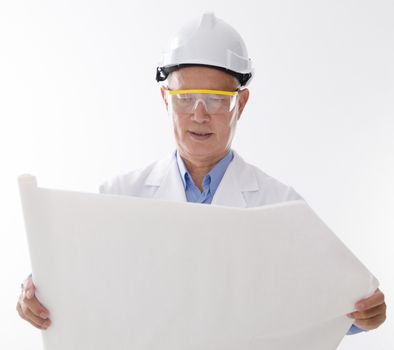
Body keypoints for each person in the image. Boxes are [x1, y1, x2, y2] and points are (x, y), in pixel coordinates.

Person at [17, 12, 386, 335]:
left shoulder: (281, 205)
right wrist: (36, 294)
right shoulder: (118, 195)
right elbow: (78, 283)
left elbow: (326, 304)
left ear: (240, 103)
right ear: (165, 100)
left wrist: (364, 316)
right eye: (184, 99)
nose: (198, 114)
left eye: (214, 99)